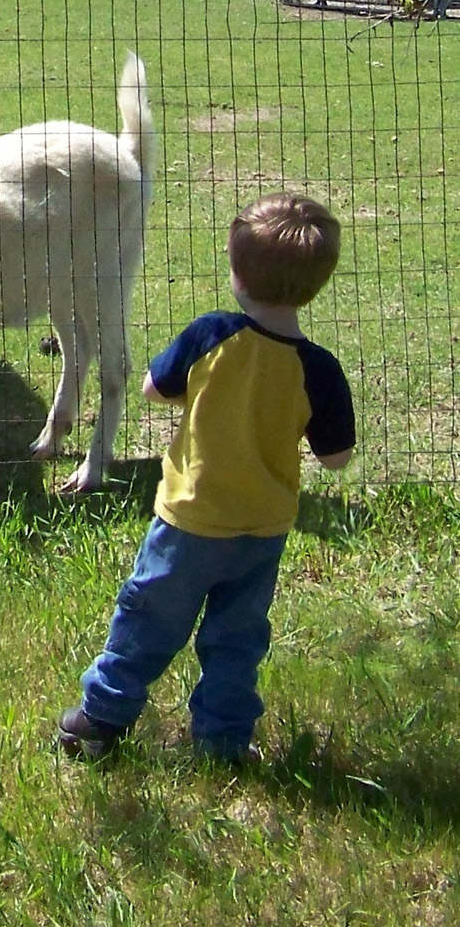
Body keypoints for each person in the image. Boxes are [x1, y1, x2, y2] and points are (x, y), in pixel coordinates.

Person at [58, 192, 355, 763]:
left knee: (147, 619)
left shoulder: (212, 334)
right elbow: (337, 457)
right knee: (237, 639)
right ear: (318, 284)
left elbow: (153, 388)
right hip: (262, 530)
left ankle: (100, 719)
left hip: (189, 523)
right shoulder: (318, 369)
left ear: (237, 276)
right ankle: (223, 740)